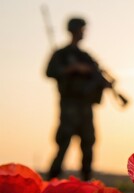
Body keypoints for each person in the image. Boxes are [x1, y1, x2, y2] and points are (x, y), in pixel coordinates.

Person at [45, 17, 111, 181]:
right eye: (81, 29)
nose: (83, 33)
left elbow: (99, 79)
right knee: (63, 144)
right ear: (74, 30)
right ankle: (51, 181)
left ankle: (87, 182)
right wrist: (71, 69)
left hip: (85, 107)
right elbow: (49, 72)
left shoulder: (86, 57)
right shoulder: (62, 54)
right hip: (69, 107)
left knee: (88, 145)